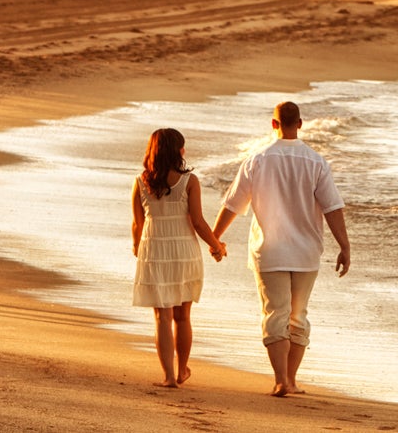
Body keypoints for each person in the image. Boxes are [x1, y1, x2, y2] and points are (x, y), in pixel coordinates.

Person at [212, 101, 351, 397]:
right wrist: (344, 246)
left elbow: (233, 204)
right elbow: (332, 207)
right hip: (306, 252)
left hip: (269, 251)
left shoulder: (258, 160)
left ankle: (280, 381)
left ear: (273, 124)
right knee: (297, 316)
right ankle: (291, 379)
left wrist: (215, 238)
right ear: (299, 123)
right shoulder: (316, 161)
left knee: (275, 314)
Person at [131, 127, 226, 387]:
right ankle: (183, 369)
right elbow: (198, 222)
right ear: (178, 151)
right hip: (184, 251)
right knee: (182, 316)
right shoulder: (189, 181)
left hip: (154, 250)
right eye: (183, 146)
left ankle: (169, 376)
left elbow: (137, 225)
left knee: (161, 317)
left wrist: (138, 248)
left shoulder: (141, 181)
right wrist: (217, 246)